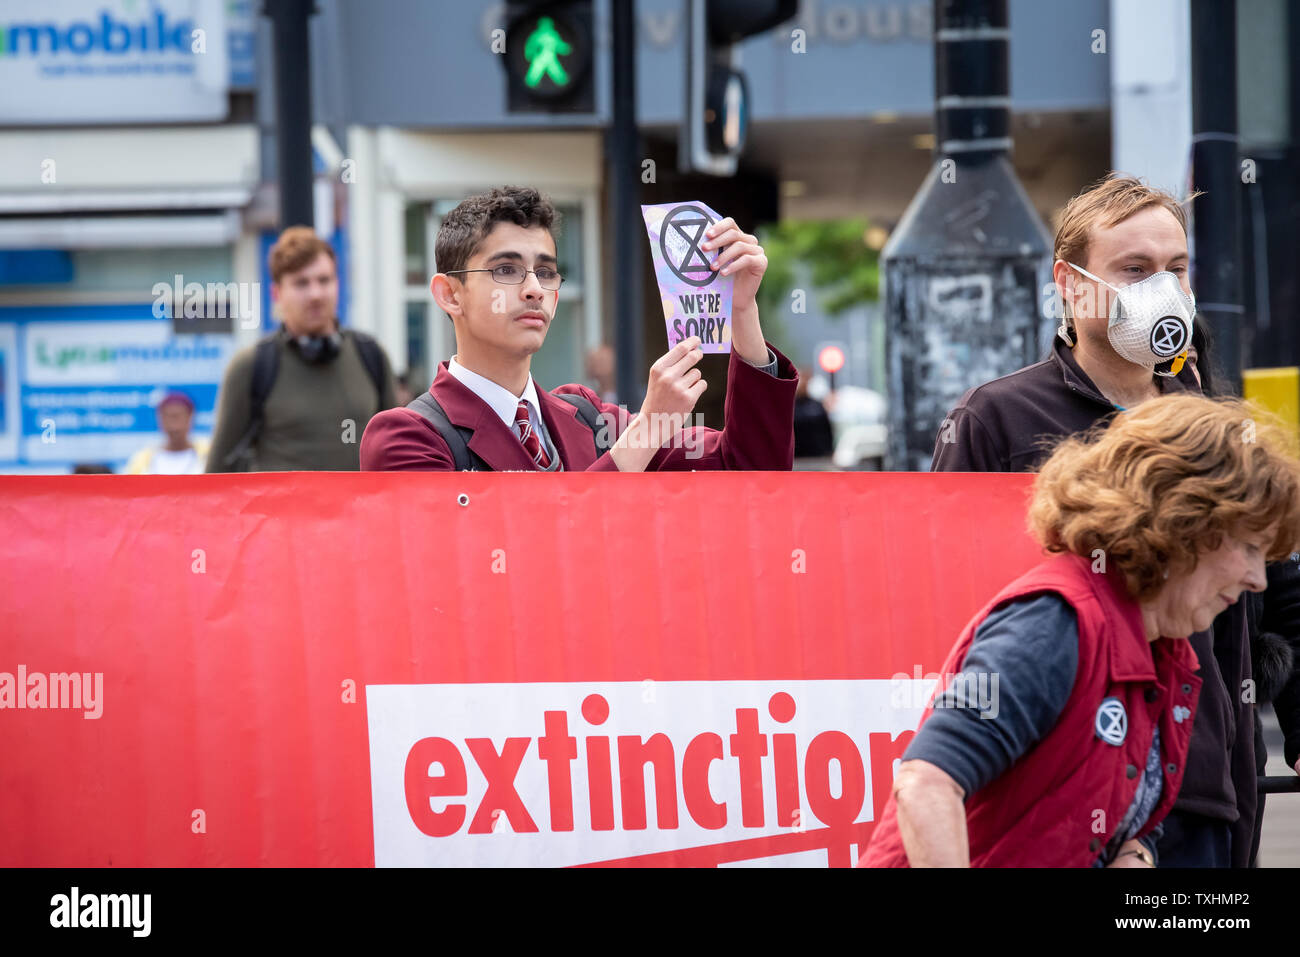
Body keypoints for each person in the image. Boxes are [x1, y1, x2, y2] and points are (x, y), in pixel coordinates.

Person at [930, 173, 1300, 867]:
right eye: (1134, 269)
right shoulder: (998, 418)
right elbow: (956, 603)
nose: (1162, 288)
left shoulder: (1210, 421)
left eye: (1176, 269)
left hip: (1208, 786)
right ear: (1069, 284)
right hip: (1075, 786)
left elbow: (1278, 579)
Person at [863, 394, 1300, 867]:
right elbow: (925, 784)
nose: (1259, 579)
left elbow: (1123, 827)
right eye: (1250, 547)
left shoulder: (1168, 652)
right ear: (1185, 524)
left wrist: (1136, 856)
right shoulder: (1055, 625)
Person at [360, 186, 797, 472]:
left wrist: (741, 310)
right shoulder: (407, 436)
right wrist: (645, 432)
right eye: (507, 270)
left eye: (547, 272)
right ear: (450, 294)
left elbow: (749, 468)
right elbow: (523, 559)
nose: (534, 289)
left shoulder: (588, 417)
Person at [207, 227, 398, 471]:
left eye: (324, 280)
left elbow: (396, 452)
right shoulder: (252, 366)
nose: (316, 294)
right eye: (301, 283)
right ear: (277, 293)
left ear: (338, 284)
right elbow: (217, 472)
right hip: (279, 510)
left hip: (361, 510)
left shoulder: (371, 356)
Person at [125, 391, 209, 474]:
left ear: (190, 417)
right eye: (167, 416)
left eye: (177, 416)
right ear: (159, 419)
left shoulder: (208, 456)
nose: (174, 425)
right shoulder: (142, 460)